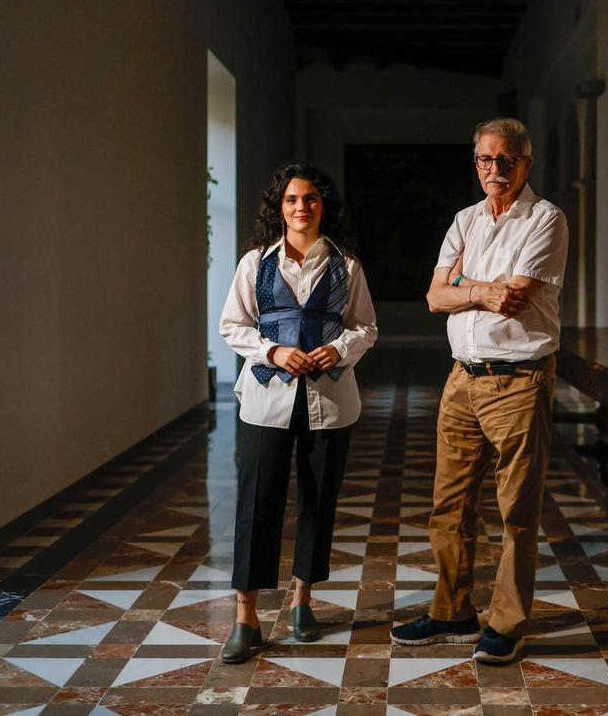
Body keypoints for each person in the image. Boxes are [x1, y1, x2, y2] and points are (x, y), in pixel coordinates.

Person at [390, 118, 568, 664]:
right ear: (476, 164)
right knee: (449, 505)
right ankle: (451, 612)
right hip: (461, 378)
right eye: (486, 160)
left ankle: (507, 623)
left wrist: (465, 284)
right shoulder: (464, 219)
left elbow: (514, 297)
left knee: (517, 509)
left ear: (525, 163)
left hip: (518, 380)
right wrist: (480, 289)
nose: (496, 169)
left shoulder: (546, 219)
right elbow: (433, 297)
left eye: (507, 159)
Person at [218, 161, 377, 663]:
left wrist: (340, 348)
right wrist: (273, 352)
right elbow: (233, 325)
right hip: (265, 401)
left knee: (317, 502)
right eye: (291, 200)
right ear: (279, 208)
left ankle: (303, 603)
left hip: (329, 402)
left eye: (309, 199)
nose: (301, 207)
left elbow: (366, 327)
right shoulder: (254, 264)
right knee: (256, 505)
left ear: (322, 206)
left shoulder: (346, 265)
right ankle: (246, 617)